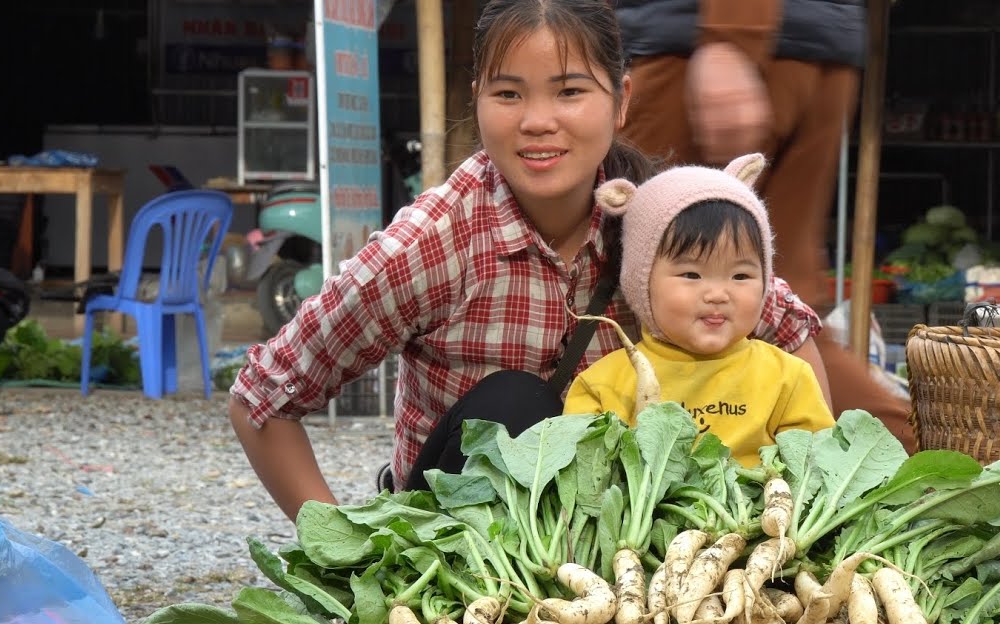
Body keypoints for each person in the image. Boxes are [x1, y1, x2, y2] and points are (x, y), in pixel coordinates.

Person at [229, 0, 840, 523]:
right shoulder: (435, 241)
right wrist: (351, 558)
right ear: (478, 99)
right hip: (469, 550)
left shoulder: (659, 217)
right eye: (508, 93)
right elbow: (262, 399)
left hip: (634, 545)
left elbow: (790, 334)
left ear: (621, 100)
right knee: (517, 408)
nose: (537, 121)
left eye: (570, 91)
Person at [613, 0, 917, 452]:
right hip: (807, 44)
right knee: (777, 306)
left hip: (708, 46)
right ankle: (928, 460)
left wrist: (730, 38)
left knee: (650, 283)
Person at [564, 154, 835, 466]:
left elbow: (817, 468)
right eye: (692, 275)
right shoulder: (601, 386)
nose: (718, 295)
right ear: (641, 282)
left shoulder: (789, 379)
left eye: (740, 276)